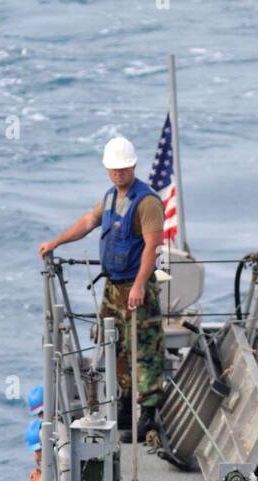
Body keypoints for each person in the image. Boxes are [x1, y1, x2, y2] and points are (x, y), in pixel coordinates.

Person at [38, 136, 164, 440]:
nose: (118, 173)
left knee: (144, 348)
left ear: (133, 165)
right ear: (107, 169)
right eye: (113, 168)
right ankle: (123, 404)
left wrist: (138, 286)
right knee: (115, 345)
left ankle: (149, 413)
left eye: (123, 168)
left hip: (136, 286)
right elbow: (88, 222)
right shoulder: (109, 198)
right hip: (112, 287)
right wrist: (57, 241)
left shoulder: (146, 202)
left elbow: (151, 248)